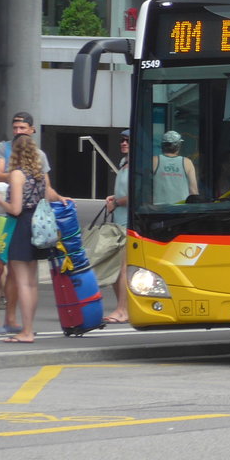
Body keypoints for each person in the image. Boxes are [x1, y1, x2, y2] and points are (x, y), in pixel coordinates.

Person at [0, 111, 55, 335]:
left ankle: (22, 328)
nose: (17, 131)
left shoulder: (18, 174)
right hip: (34, 225)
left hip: (19, 224)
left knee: (22, 280)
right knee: (26, 280)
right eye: (15, 127)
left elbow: (15, 208)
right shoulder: (37, 173)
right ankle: (22, 326)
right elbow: (48, 192)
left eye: (21, 128)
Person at [102, 129, 130, 323]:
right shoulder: (123, 163)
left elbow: (137, 195)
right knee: (115, 267)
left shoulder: (138, 166)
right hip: (118, 221)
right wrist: (114, 198)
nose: (123, 143)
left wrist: (117, 203)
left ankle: (123, 310)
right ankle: (121, 308)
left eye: (128, 140)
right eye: (121, 140)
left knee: (122, 267)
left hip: (129, 222)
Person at [152, 130, 198, 205]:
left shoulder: (154, 161)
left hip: (158, 209)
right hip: (181, 210)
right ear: (179, 146)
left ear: (163, 145)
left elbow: (146, 188)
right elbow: (193, 190)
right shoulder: (187, 162)